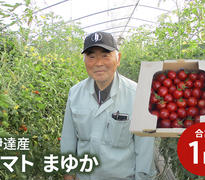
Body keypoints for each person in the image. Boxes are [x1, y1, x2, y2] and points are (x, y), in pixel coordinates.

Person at [60, 31, 156, 180]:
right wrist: (68, 174)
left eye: (105, 55)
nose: (99, 63)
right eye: (91, 57)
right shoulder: (75, 93)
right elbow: (68, 139)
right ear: (85, 61)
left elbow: (145, 150)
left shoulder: (138, 95)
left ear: (118, 59)